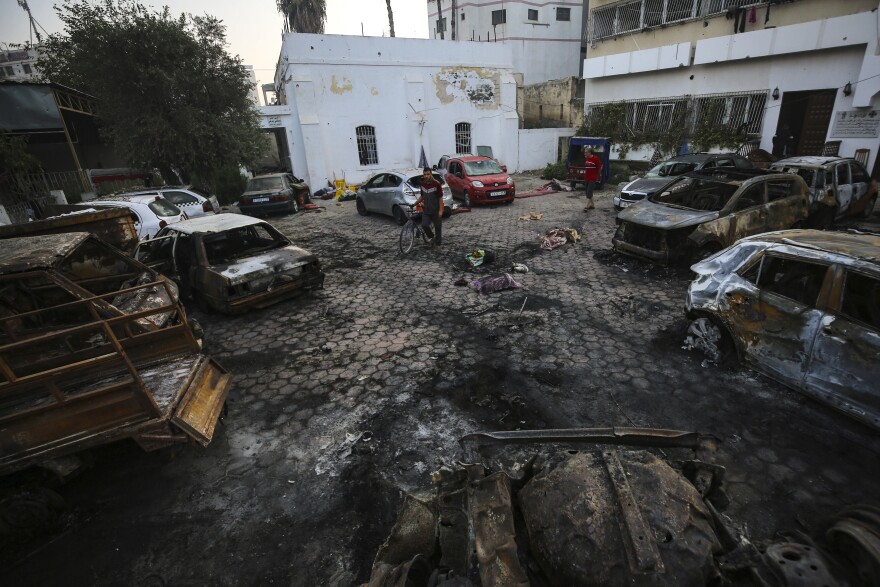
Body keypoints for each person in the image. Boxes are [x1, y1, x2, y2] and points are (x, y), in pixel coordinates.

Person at [414, 167, 443, 246]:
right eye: (424, 174)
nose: (426, 176)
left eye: (428, 174)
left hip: (435, 210)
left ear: (431, 174)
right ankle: (431, 237)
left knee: (437, 228)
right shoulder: (423, 184)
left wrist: (440, 210)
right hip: (426, 210)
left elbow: (440, 198)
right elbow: (422, 196)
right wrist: (415, 203)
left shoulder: (436, 184)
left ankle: (438, 244)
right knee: (424, 225)